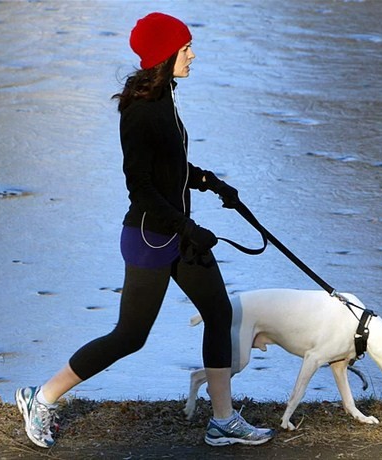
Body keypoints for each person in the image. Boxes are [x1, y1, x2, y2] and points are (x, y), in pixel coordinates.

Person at [15, 12, 275, 448]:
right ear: (164, 54)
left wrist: (210, 182)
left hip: (179, 233)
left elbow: (169, 168)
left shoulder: (165, 97)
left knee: (218, 313)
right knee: (130, 336)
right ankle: (41, 397)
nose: (193, 53)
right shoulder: (140, 112)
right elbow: (141, 186)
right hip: (152, 238)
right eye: (186, 47)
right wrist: (187, 226)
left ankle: (223, 420)